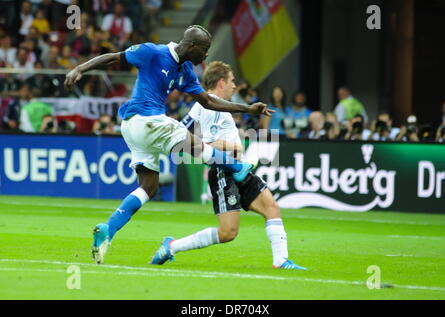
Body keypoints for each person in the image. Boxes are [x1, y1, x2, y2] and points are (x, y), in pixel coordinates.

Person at [64, 25, 273, 264]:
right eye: (204, 50)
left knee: (148, 188)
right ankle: (238, 168)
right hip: (144, 119)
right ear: (192, 46)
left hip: (136, 129)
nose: (206, 56)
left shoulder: (185, 69)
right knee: (186, 138)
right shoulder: (152, 52)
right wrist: (79, 68)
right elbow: (114, 57)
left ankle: (108, 229)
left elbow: (206, 101)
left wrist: (247, 108)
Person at [150, 61, 306, 270]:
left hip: (239, 168)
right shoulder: (207, 106)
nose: (235, 86)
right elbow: (193, 141)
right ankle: (172, 246)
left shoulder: (215, 105)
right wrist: (229, 145)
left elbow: (190, 132)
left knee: (272, 208)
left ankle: (281, 261)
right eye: (232, 81)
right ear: (221, 82)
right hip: (224, 172)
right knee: (228, 233)